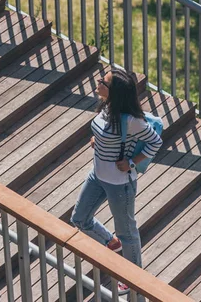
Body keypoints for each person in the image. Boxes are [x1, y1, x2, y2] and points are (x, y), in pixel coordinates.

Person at [70, 69, 163, 294]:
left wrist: (131, 162)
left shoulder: (131, 120)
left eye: (104, 82)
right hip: (97, 176)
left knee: (127, 232)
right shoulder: (106, 107)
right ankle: (110, 242)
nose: (98, 81)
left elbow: (155, 142)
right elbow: (104, 132)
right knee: (79, 219)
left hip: (120, 183)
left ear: (115, 93)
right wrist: (98, 141)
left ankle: (132, 279)